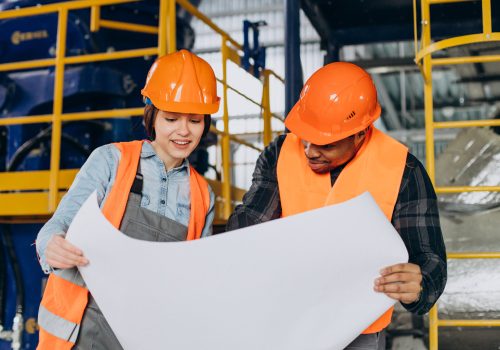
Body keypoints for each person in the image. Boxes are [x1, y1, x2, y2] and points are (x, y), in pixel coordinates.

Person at [227, 62, 447, 349]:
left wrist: (421, 283)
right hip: (286, 324)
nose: (309, 150)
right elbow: (250, 225)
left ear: (360, 133)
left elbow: (431, 260)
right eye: (306, 137)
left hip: (360, 332)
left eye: (325, 144)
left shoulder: (404, 171)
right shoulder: (279, 155)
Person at [35, 49, 220, 349]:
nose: (183, 131)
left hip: (149, 337)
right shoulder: (111, 161)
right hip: (84, 331)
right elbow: (57, 227)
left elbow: (194, 281)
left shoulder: (203, 195)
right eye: (171, 118)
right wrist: (51, 246)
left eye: (195, 121)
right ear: (152, 114)